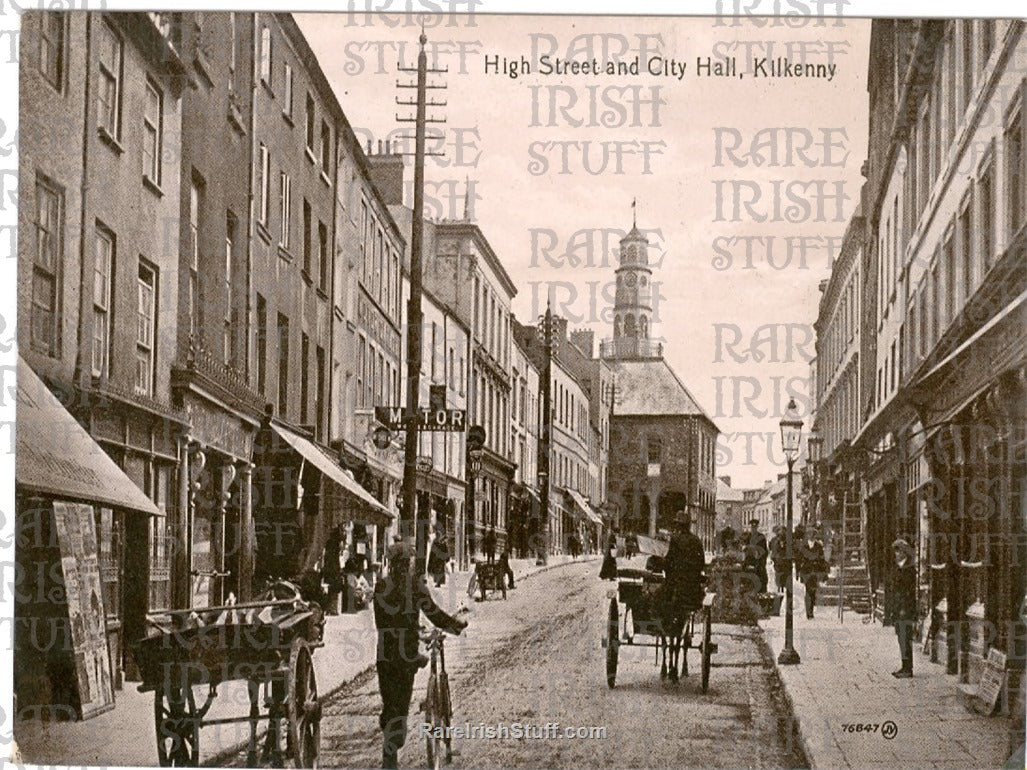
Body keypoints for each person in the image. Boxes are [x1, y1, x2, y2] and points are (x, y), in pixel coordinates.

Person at [374, 540, 468, 769]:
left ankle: (389, 754)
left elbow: (382, 623)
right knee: (401, 705)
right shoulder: (416, 587)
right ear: (408, 564)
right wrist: (455, 625)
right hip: (406, 657)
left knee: (390, 703)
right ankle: (392, 745)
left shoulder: (380, 586)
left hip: (385, 656)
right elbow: (434, 614)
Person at [661, 510, 706, 619]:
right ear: (688, 526)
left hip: (676, 582)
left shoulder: (675, 540)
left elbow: (669, 560)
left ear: (679, 526)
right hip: (692, 585)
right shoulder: (697, 541)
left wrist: (663, 567)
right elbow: (701, 562)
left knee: (663, 595)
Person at [891, 537, 917, 678]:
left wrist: (904, 608)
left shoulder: (909, 569)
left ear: (904, 552)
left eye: (898, 551)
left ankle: (908, 668)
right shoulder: (899, 567)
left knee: (905, 637)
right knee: (901, 637)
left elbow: (908, 592)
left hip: (905, 609)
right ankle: (904, 665)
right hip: (898, 608)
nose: (896, 554)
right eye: (896, 551)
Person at [796, 525, 828, 619]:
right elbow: (799, 559)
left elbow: (822, 560)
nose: (811, 536)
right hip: (806, 571)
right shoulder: (803, 546)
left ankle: (811, 609)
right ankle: (809, 613)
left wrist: (824, 573)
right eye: (809, 534)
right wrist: (798, 572)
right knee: (808, 591)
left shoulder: (818, 546)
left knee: (813, 591)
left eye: (813, 534)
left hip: (815, 571)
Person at [742, 518, 769, 593]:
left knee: (761, 577)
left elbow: (765, 551)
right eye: (752, 527)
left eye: (755, 527)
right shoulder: (747, 537)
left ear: (757, 527)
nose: (753, 529)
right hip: (749, 561)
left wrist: (760, 558)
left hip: (758, 562)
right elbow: (743, 548)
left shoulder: (761, 537)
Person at [769, 525, 790, 592]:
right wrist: (773, 557)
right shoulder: (774, 541)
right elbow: (772, 549)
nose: (780, 536)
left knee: (784, 576)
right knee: (778, 575)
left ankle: (782, 587)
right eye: (779, 535)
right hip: (778, 562)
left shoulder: (787, 541)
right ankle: (779, 588)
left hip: (785, 563)